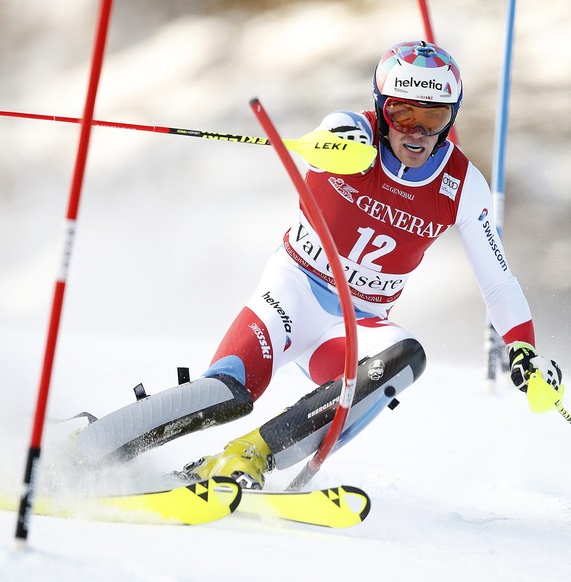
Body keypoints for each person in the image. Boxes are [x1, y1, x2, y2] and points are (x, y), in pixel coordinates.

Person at [74, 40, 563, 489]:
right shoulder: (350, 134)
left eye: (432, 119)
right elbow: (333, 132)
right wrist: (341, 147)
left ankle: (248, 458)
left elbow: (498, 283)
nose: (415, 133)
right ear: (380, 107)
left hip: (355, 323)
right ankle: (83, 451)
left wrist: (522, 350)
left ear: (451, 117)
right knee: (227, 392)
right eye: (402, 113)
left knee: (405, 357)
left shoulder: (462, 185)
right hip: (292, 292)